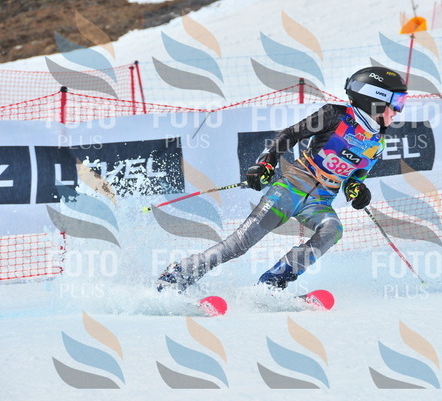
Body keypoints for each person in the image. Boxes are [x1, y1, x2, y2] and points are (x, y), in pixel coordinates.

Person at [156, 66, 408, 292]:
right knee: (239, 244)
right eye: (396, 102)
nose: (398, 110)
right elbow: (290, 135)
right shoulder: (334, 115)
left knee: (333, 230)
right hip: (289, 189)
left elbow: (356, 176)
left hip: (319, 202)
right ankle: (179, 273)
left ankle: (273, 281)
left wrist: (357, 190)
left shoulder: (377, 143)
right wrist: (266, 162)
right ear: (373, 100)